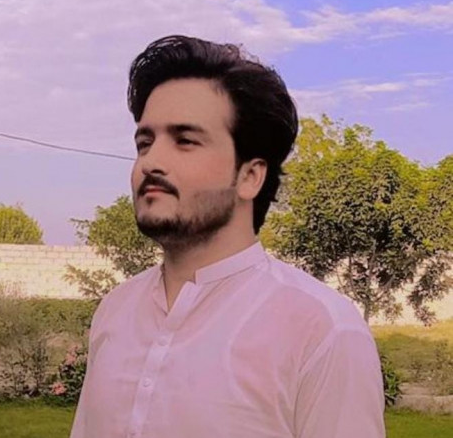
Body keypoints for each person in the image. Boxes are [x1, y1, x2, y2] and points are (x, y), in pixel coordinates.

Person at [70, 35, 386, 438]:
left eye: (185, 141)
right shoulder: (115, 311)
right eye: (144, 143)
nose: (151, 162)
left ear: (250, 176)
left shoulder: (322, 330)